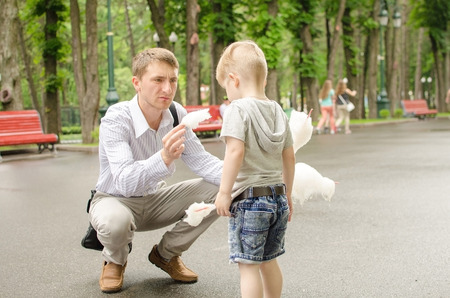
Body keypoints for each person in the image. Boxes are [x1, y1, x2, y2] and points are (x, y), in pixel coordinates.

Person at [89, 47, 223, 293]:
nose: (167, 88)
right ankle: (115, 260)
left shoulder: (175, 113)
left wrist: (243, 177)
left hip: (154, 200)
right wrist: (163, 157)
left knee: (220, 189)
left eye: (172, 80)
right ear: (137, 83)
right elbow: (126, 182)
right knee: (115, 222)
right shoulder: (117, 118)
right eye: (158, 80)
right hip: (115, 199)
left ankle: (166, 254)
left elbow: (201, 161)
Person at [214, 40, 295, 298]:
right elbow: (289, 156)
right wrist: (288, 195)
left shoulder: (237, 109)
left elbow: (234, 151)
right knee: (269, 261)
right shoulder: (278, 110)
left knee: (248, 265)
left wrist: (224, 192)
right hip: (278, 199)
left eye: (226, 88)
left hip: (250, 201)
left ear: (233, 79)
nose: (228, 95)